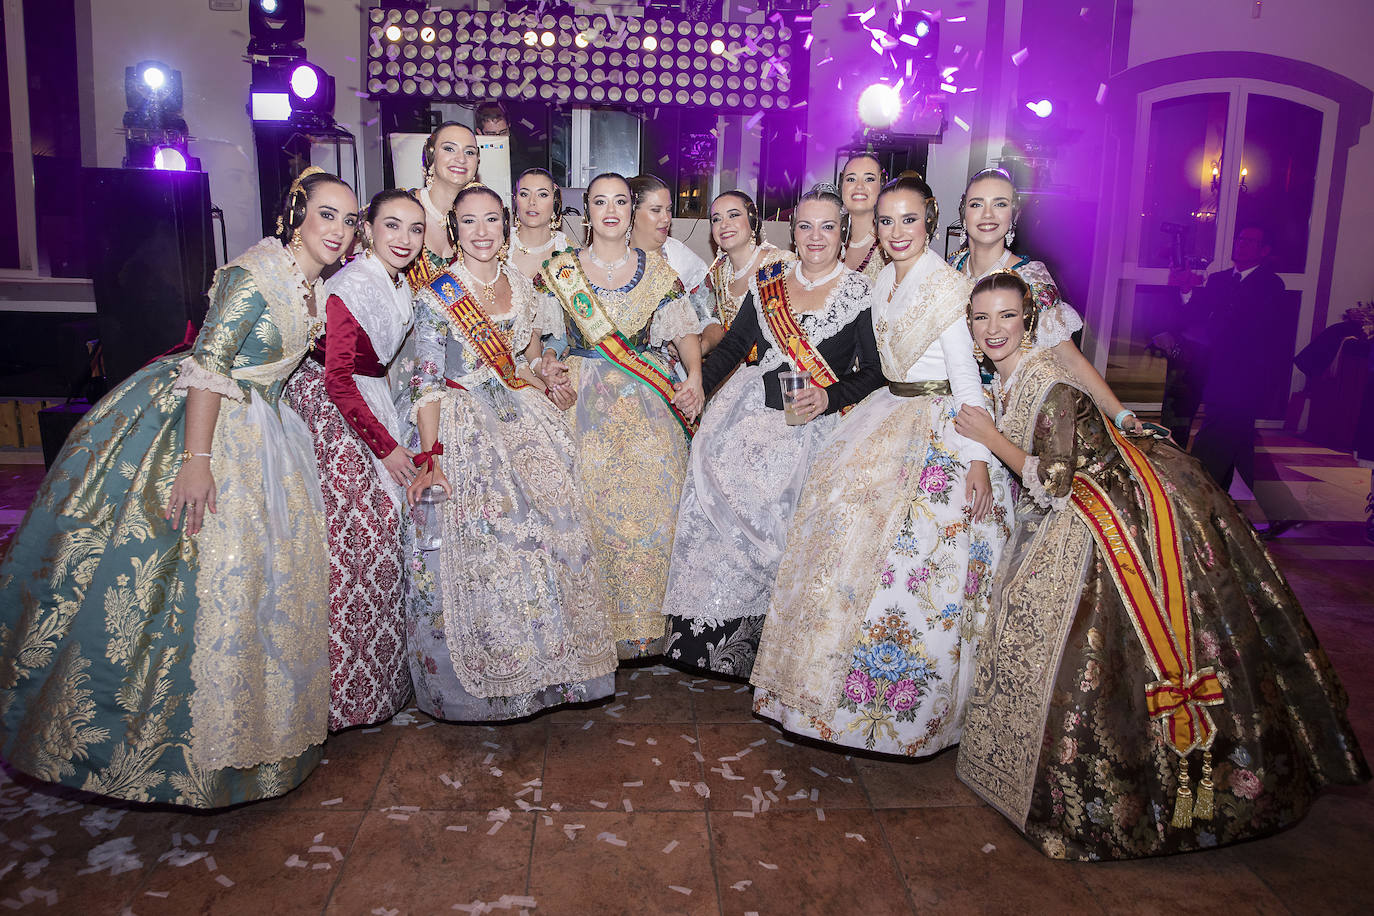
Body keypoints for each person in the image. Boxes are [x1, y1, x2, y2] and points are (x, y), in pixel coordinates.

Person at [953, 270, 1368, 860]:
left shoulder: (1050, 386)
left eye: (1006, 317)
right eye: (982, 319)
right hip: (1083, 497)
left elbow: (1053, 480)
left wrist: (991, 438)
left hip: (1100, 510)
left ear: (1028, 322)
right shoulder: (1012, 374)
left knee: (1089, 645)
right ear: (971, 330)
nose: (995, 329)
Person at [0, 168, 357, 806]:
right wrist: (196, 460)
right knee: (193, 575)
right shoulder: (257, 274)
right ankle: (150, 748)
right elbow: (210, 365)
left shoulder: (308, 283)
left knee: (263, 585)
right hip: (210, 427)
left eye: (348, 219)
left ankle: (263, 738)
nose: (339, 229)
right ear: (296, 213)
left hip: (265, 430)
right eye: (327, 214)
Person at [750, 175, 1014, 756]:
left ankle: (895, 711)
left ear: (930, 221)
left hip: (938, 426)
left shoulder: (946, 286)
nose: (897, 232)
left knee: (905, 564)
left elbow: (967, 377)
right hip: (887, 409)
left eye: (910, 220)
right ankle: (820, 695)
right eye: (887, 221)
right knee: (836, 523)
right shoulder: (881, 281)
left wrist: (976, 461)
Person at [403, 183, 617, 719]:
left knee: (553, 530)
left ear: (505, 225)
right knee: (488, 543)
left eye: (492, 220)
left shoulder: (522, 286)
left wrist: (544, 373)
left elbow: (523, 359)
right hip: (459, 423)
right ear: (454, 229)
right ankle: (492, 681)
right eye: (469, 221)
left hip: (518, 414)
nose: (482, 232)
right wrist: (432, 458)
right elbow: (426, 384)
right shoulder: (437, 296)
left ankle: (552, 671)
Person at [662, 185, 884, 677]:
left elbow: (873, 371)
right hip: (744, 413)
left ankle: (765, 646)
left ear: (843, 231)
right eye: (805, 226)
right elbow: (736, 343)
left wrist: (830, 396)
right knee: (712, 494)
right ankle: (708, 640)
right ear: (792, 231)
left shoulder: (859, 292)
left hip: (812, 425)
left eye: (828, 226)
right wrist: (700, 386)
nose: (815, 237)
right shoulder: (770, 278)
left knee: (782, 522)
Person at [536, 172, 704, 659]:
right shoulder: (560, 269)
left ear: (632, 211)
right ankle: (590, 625)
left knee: (654, 495)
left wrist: (692, 377)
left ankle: (643, 628)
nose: (610, 210)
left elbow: (683, 331)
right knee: (582, 501)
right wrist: (547, 365)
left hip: (646, 397)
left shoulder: (658, 270)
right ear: (585, 211)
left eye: (620, 202)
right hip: (581, 398)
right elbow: (544, 341)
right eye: (599, 201)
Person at [283, 189, 424, 731]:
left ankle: (381, 683)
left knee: (382, 541)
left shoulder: (395, 279)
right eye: (392, 226)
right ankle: (343, 695)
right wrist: (385, 447)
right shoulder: (350, 286)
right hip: (337, 415)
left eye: (414, 229)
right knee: (355, 542)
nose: (404, 239)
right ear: (368, 229)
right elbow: (336, 378)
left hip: (371, 399)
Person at [950, 167, 1141, 433]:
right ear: (964, 212)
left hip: (1008, 413)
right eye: (977, 204)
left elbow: (1071, 360)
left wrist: (1121, 415)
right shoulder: (950, 269)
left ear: (1013, 216)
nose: (988, 215)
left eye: (1000, 204)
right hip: (955, 402)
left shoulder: (1030, 277)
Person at [1179, 226, 1294, 499]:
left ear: (1264, 251)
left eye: (1251, 242)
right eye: (1241, 240)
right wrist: (1186, 291)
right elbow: (1195, 315)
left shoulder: (1271, 285)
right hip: (1217, 371)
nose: (1242, 246)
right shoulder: (1219, 280)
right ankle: (1262, 506)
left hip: (1247, 376)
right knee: (1239, 441)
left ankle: (1196, 490)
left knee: (1218, 432)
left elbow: (1262, 332)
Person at [628, 174, 719, 354]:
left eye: (668, 209)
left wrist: (700, 347)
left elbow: (712, 322)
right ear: (631, 212)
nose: (666, 218)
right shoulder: (610, 255)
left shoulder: (682, 259)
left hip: (667, 370)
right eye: (656, 210)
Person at [699, 190, 795, 355]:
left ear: (752, 221)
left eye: (733, 215)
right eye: (716, 219)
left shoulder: (781, 264)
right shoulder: (716, 275)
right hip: (732, 366)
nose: (724, 224)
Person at [508, 168, 574, 283]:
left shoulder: (569, 252)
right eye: (524, 194)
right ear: (515, 200)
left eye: (542, 194)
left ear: (555, 201)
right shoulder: (499, 248)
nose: (532, 201)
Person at [838, 153, 887, 283]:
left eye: (869, 179)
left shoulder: (891, 244)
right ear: (841, 185)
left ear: (882, 185)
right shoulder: (824, 239)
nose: (859, 186)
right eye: (851, 179)